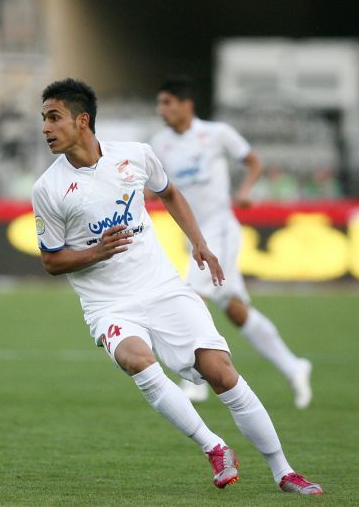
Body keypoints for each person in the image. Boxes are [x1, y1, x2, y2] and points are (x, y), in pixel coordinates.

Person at [32, 78, 322, 494]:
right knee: (137, 360)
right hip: (108, 305)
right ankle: (214, 447)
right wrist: (97, 251)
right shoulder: (48, 189)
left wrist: (199, 243)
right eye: (43, 119)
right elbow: (51, 261)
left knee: (221, 372)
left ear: (82, 121)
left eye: (54, 117)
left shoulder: (136, 155)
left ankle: (284, 471)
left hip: (162, 288)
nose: (45, 127)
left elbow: (169, 193)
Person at [151, 77, 313, 409]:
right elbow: (158, 187)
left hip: (220, 230)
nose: (161, 110)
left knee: (191, 296)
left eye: (167, 102)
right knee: (235, 310)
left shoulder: (217, 133)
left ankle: (195, 379)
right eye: (159, 103)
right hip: (193, 235)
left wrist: (244, 191)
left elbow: (253, 161)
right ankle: (294, 366)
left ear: (186, 104)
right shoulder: (159, 143)